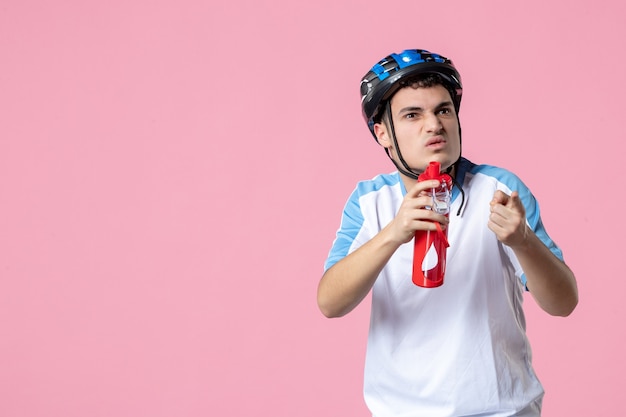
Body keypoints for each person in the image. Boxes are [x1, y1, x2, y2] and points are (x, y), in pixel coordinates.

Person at [317, 49, 578, 417]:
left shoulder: (499, 190)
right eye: (412, 115)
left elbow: (563, 302)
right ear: (383, 134)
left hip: (502, 410)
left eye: (443, 110)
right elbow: (330, 302)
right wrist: (394, 232)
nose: (434, 125)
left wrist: (524, 242)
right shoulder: (369, 201)